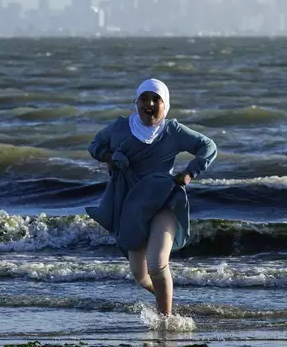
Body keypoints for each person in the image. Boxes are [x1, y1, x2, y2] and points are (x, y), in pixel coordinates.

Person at [86, 78, 217, 317]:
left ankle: (165, 321)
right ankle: (166, 300)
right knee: (140, 275)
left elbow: (208, 146)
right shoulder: (120, 128)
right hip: (130, 203)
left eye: (156, 99)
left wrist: (189, 173)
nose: (150, 104)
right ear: (136, 103)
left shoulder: (173, 130)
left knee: (157, 264)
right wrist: (107, 156)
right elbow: (95, 144)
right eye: (144, 99)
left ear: (165, 105)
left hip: (164, 200)